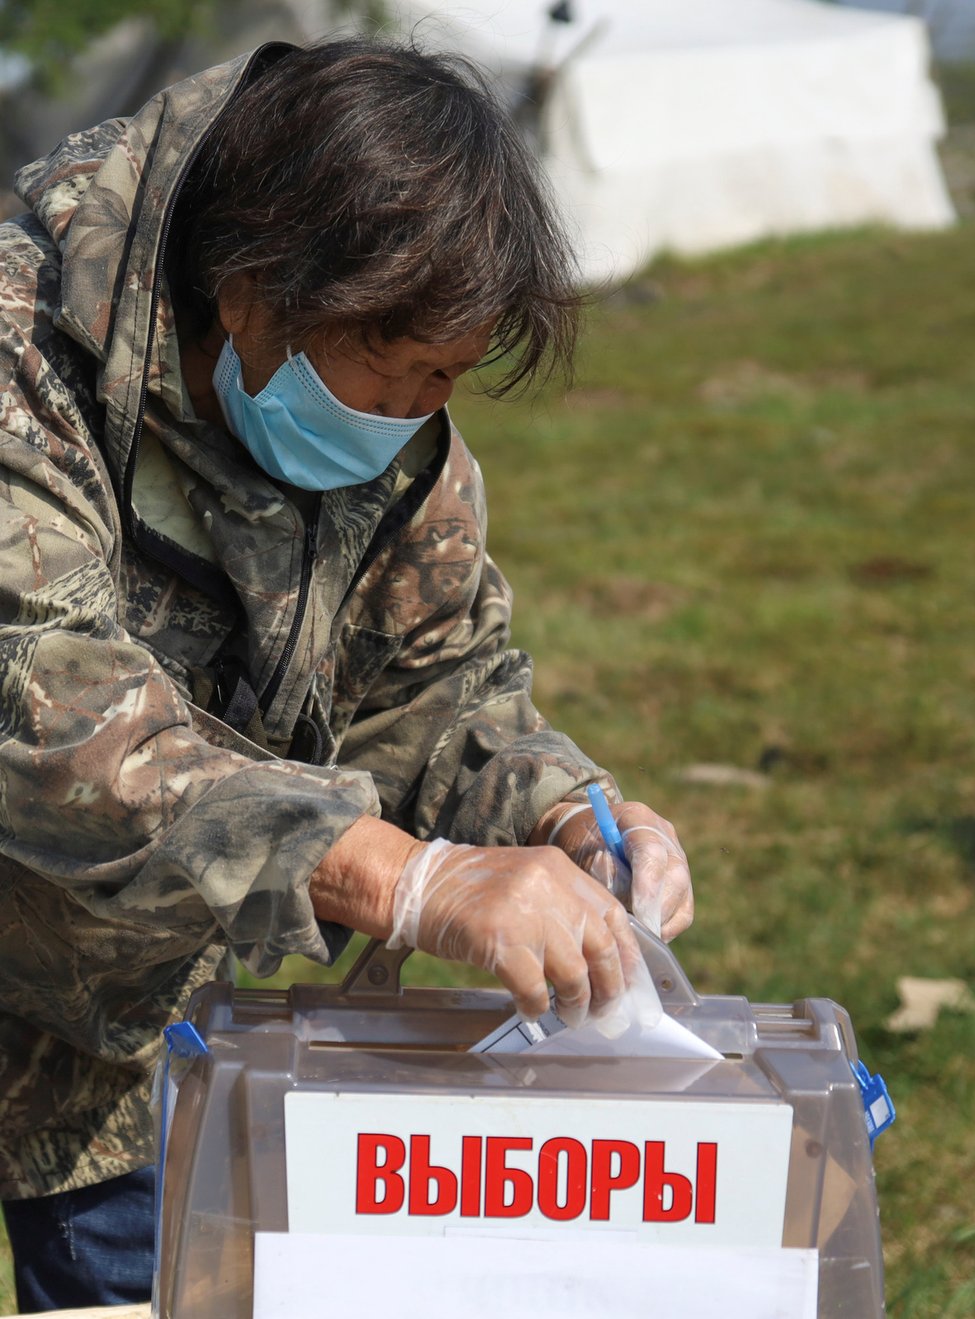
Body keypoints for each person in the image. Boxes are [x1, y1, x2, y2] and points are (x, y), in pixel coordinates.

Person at [0, 35, 694, 1313]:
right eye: (407, 365)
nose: (426, 414)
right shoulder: (20, 346)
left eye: (453, 375)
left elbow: (441, 684)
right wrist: (407, 874)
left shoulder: (385, 428)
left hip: (109, 1021)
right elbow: (42, 702)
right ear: (255, 291)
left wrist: (556, 809)